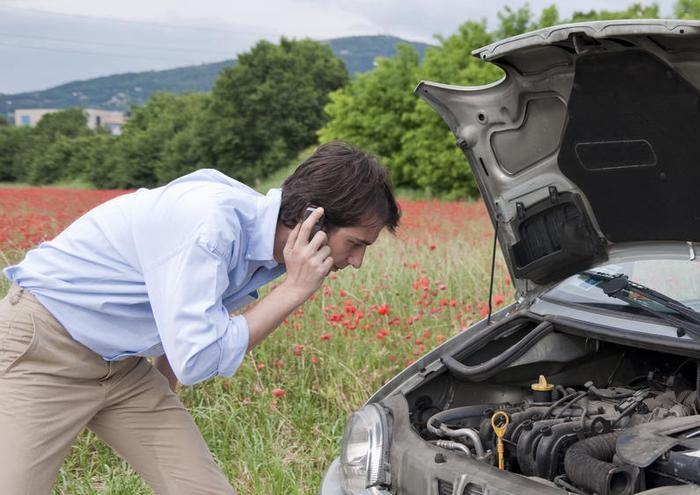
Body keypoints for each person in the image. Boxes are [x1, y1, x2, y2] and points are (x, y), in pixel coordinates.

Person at [0, 141, 401, 494]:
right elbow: (197, 359)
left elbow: (189, 316)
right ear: (312, 219)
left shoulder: (264, 244)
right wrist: (293, 291)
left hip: (121, 367)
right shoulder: (211, 225)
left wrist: (163, 383)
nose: (357, 262)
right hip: (43, 350)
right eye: (355, 244)